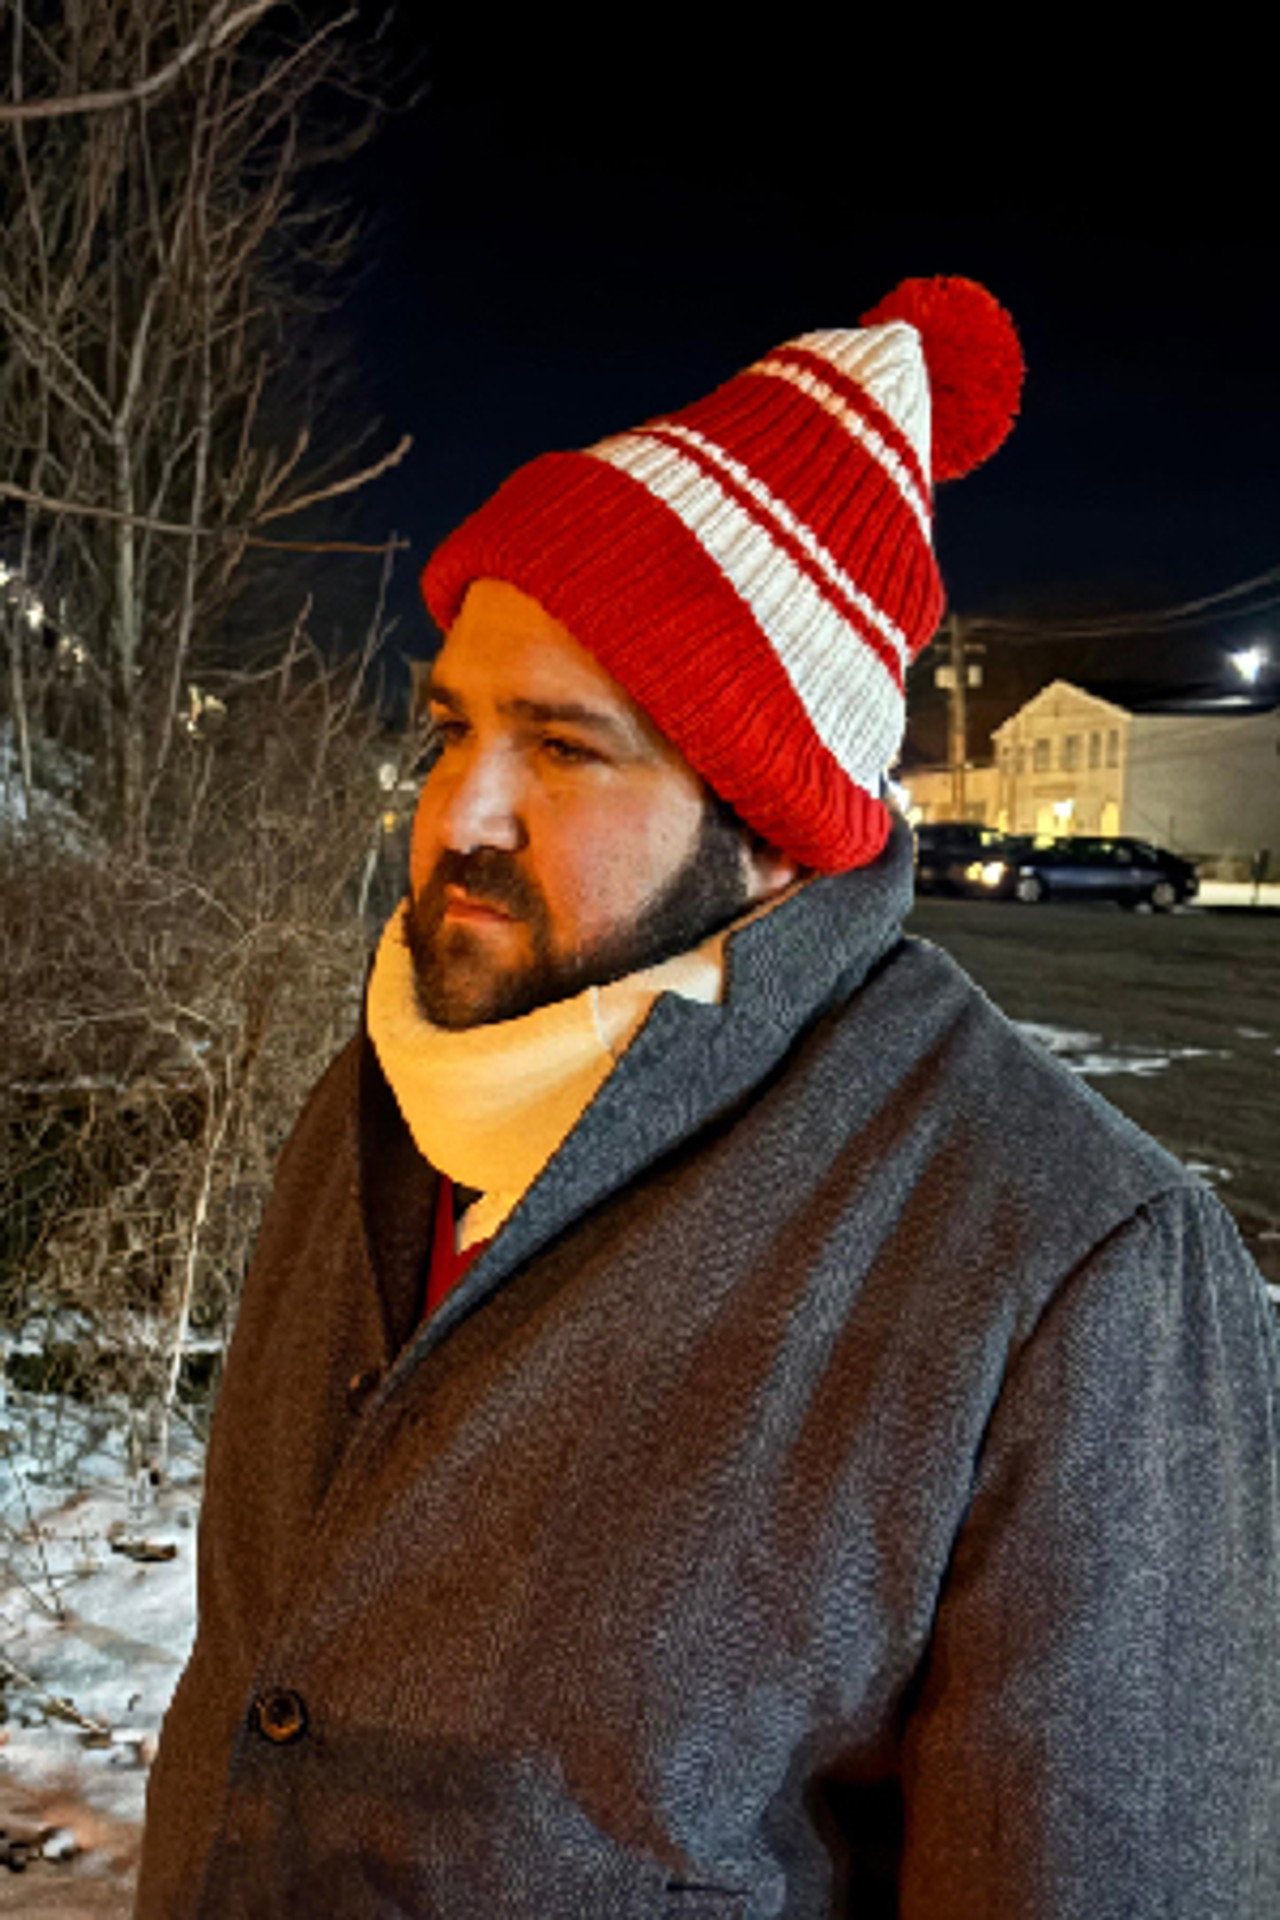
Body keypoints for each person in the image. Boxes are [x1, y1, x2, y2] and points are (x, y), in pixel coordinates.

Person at [135, 278, 1280, 1918]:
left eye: (565, 748)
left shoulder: (1072, 1265)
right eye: (452, 728)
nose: (461, 813)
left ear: (771, 821)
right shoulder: (380, 1099)